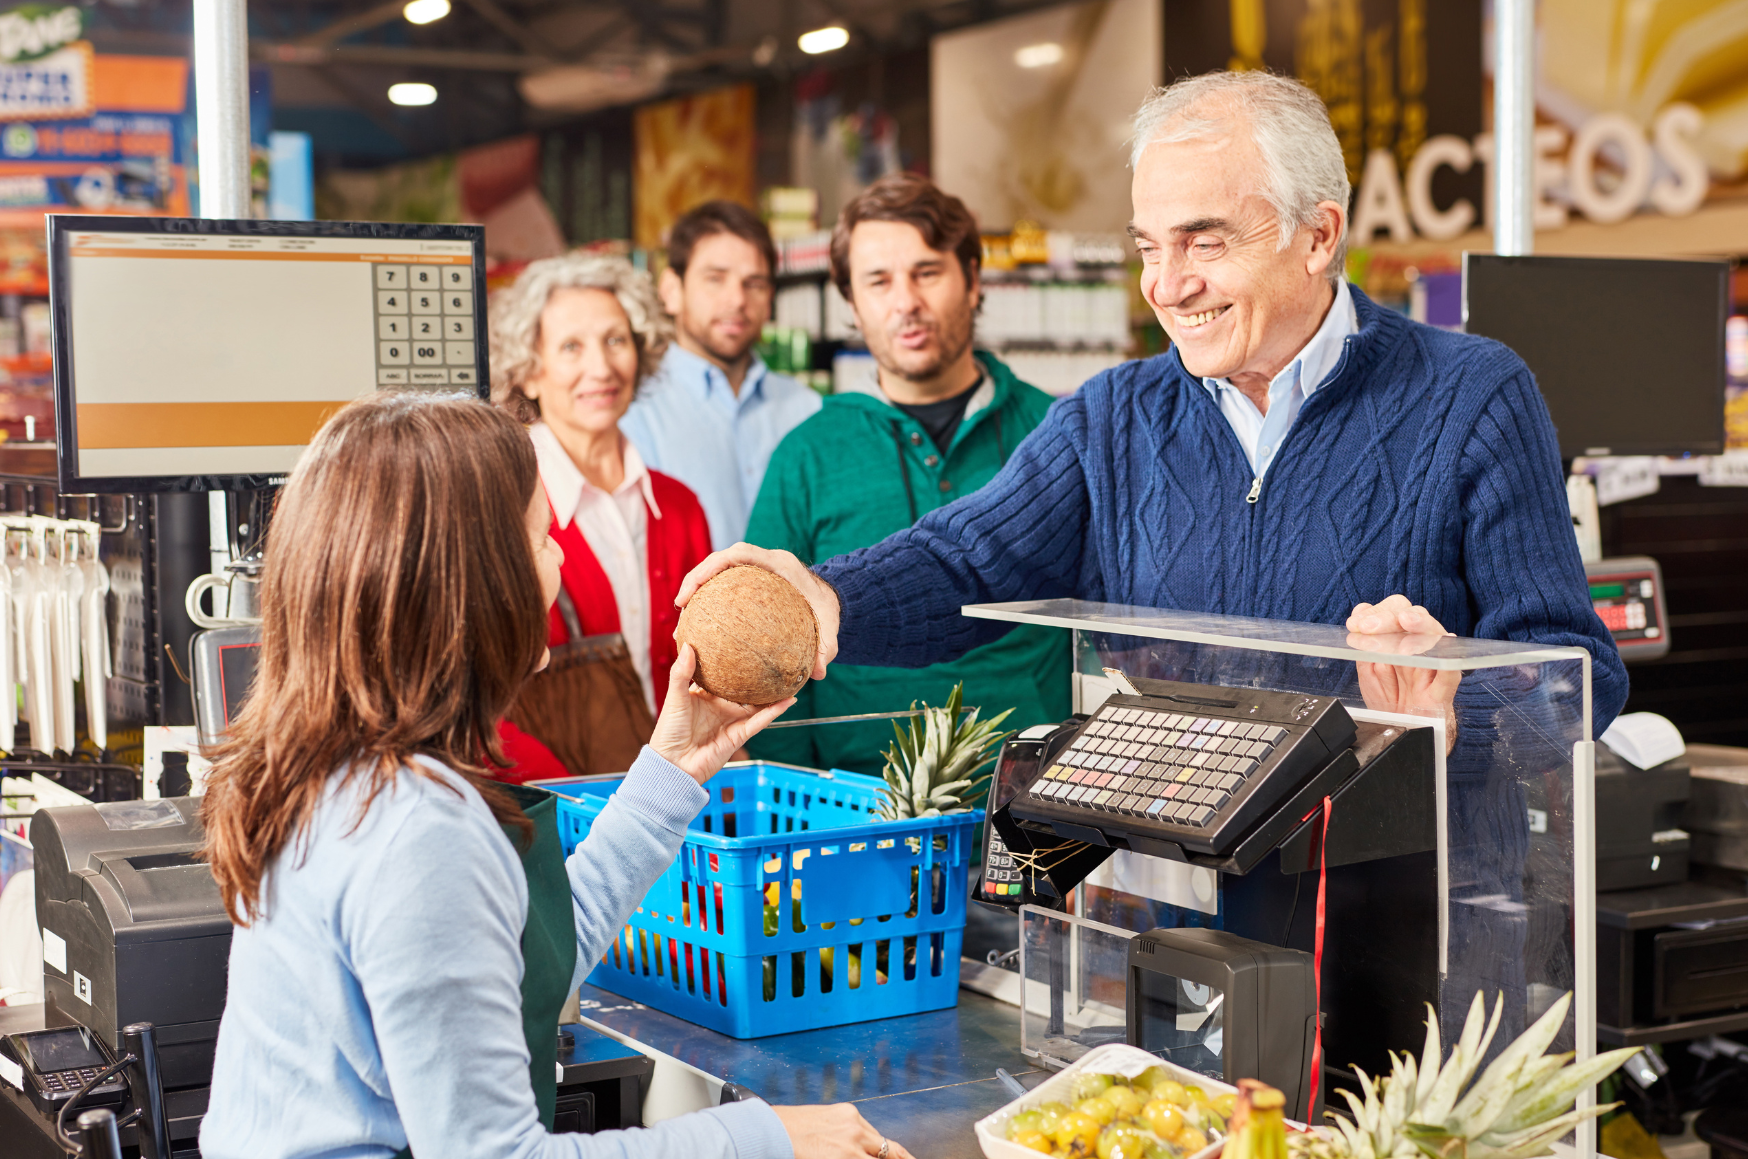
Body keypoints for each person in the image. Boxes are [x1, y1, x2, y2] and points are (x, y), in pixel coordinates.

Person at [681, 73, 1628, 1022]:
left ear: (1319, 234)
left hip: (1420, 931)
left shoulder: (1470, 397)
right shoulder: (1113, 419)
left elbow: (1581, 669)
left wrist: (1459, 695)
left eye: (1204, 241)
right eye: (1150, 246)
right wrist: (824, 598)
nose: (1168, 285)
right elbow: (962, 558)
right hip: (1183, 928)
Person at [186, 392, 944, 1159]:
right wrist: (762, 1136)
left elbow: (523, 959)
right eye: (543, 537)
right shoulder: (416, 833)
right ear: (477, 580)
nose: (556, 561)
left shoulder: (346, 766)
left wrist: (673, 768)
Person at [743, 173, 1071, 776]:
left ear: (973, 281)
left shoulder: (1057, 431)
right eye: (878, 281)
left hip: (1038, 806)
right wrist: (793, 798)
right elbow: (771, 649)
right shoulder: (807, 454)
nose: (906, 302)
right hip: (858, 812)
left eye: (926, 272)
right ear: (852, 303)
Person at [490, 253, 713, 778]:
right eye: (571, 347)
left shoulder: (680, 508)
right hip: (551, 810)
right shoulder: (499, 503)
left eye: (617, 340)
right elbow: (478, 701)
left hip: (681, 803)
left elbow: (709, 670)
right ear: (529, 372)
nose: (602, 367)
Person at [619, 201, 821, 550]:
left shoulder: (807, 408)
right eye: (715, 279)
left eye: (754, 283)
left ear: (770, 297)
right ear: (672, 290)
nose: (737, 299)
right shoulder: (632, 412)